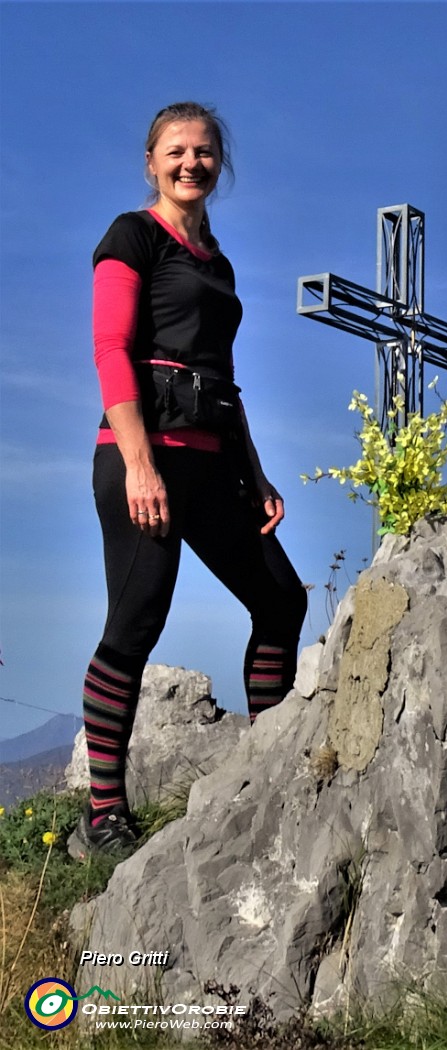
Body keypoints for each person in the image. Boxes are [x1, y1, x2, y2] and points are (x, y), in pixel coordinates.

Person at [71, 102, 307, 860]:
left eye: (204, 152)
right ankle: (102, 816)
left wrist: (256, 471)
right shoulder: (132, 236)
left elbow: (225, 380)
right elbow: (112, 349)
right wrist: (140, 463)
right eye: (176, 151)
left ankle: (269, 773)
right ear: (151, 162)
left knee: (281, 598)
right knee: (138, 619)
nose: (191, 163)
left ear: (218, 164)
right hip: (144, 456)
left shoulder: (219, 263)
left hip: (213, 461)